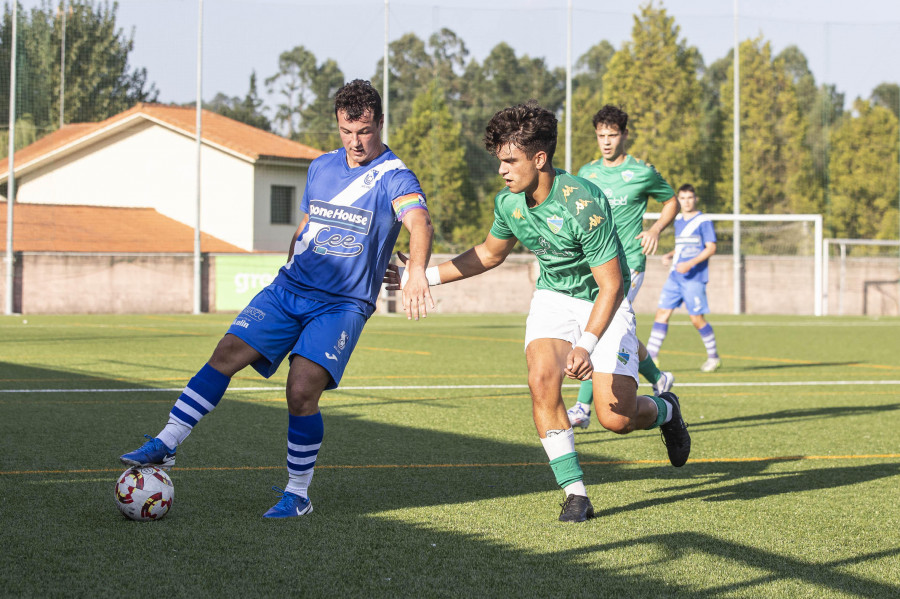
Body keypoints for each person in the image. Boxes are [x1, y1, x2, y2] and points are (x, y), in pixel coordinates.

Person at [119, 79, 435, 518]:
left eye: (364, 130)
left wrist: (417, 270)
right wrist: (287, 267)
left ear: (380, 123)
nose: (355, 141)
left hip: (341, 304)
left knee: (301, 390)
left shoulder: (395, 176)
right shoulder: (321, 167)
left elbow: (419, 222)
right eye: (346, 130)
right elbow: (306, 223)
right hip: (288, 289)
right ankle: (167, 442)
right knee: (226, 352)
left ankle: (298, 495)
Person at [390, 101, 690, 523]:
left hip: (602, 300)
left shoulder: (583, 203)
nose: (502, 170)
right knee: (541, 379)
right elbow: (489, 254)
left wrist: (585, 345)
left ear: (540, 158)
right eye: (500, 161)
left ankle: (667, 410)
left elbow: (611, 285)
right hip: (553, 298)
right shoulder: (509, 203)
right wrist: (423, 276)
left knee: (615, 417)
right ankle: (575, 492)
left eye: (510, 161)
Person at [566, 105, 680, 430]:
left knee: (600, 328)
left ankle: (581, 407)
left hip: (629, 263)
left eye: (612, 135)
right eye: (601, 135)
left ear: (624, 135)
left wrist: (655, 229)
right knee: (614, 329)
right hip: (595, 264)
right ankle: (659, 378)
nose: (606, 141)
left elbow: (670, 200)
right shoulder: (586, 174)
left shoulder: (642, 172)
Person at [647, 183, 721, 372]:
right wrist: (671, 255)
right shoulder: (678, 220)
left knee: (696, 319)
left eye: (690, 198)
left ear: (695, 199)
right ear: (678, 200)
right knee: (661, 313)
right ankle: (651, 357)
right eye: (682, 198)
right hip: (675, 277)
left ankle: (713, 357)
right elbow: (684, 246)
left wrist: (690, 263)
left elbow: (711, 247)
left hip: (694, 277)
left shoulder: (703, 221)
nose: (686, 202)